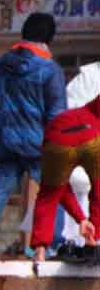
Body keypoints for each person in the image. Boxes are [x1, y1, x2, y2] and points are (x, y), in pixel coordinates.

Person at [0, 13, 67, 258]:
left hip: (6, 141)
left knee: (0, 189)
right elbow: (57, 112)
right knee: (54, 190)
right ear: (49, 37)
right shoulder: (50, 69)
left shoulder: (1, 65)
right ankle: (51, 243)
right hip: (39, 143)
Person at [29, 94, 100, 262]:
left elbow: (60, 190)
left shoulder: (56, 126)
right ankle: (93, 240)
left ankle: (40, 250)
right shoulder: (92, 113)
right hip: (92, 139)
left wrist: (80, 218)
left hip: (57, 139)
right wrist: (86, 221)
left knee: (48, 196)